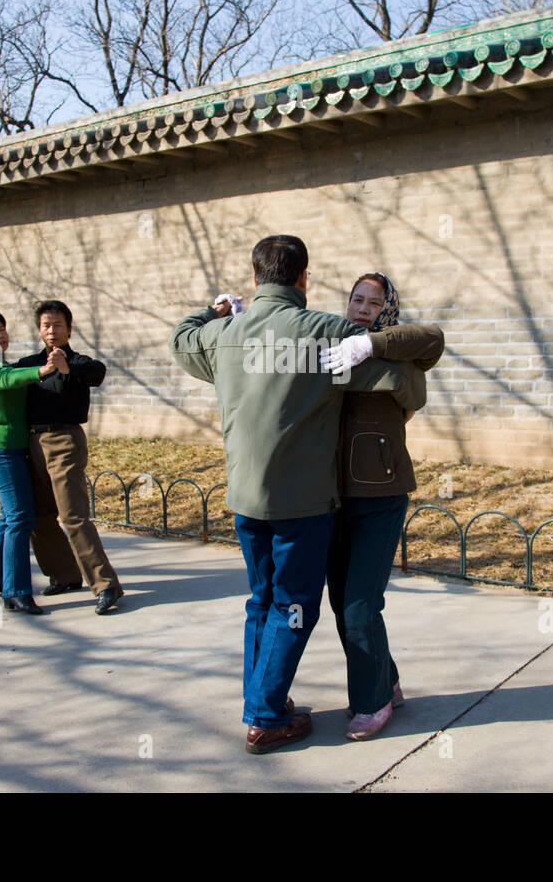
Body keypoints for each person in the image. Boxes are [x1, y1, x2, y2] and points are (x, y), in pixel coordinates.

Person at [169, 235, 427, 754]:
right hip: (303, 505)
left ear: (256, 279)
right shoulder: (327, 333)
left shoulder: (224, 334)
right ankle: (265, 715)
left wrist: (215, 309)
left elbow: (181, 338)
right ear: (304, 277)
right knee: (293, 607)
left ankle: (263, 701)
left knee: (261, 602)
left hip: (244, 497)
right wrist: (390, 373)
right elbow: (404, 376)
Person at [323, 273, 444, 740]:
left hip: (381, 495)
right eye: (357, 298)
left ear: (387, 308)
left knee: (360, 604)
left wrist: (371, 347)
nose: (363, 307)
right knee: (343, 601)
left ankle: (372, 703)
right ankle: (386, 681)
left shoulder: (404, 350)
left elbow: (434, 337)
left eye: (375, 302)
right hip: (332, 497)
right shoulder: (329, 341)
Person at [14, 300, 125, 615]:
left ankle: (106, 586)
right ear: (39, 329)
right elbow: (3, 380)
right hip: (32, 442)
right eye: (46, 325)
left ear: (69, 329)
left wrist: (67, 368)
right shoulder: (28, 363)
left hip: (64, 441)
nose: (52, 330)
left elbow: (98, 373)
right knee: (40, 515)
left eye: (58, 325)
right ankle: (64, 575)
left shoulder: (80, 362)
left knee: (73, 515)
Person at [0, 308, 65, 615]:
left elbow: (12, 374)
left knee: (9, 517)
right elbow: (7, 379)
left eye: (2, 329)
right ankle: (16, 591)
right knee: (22, 517)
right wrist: (42, 371)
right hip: (1, 452)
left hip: (14, 450)